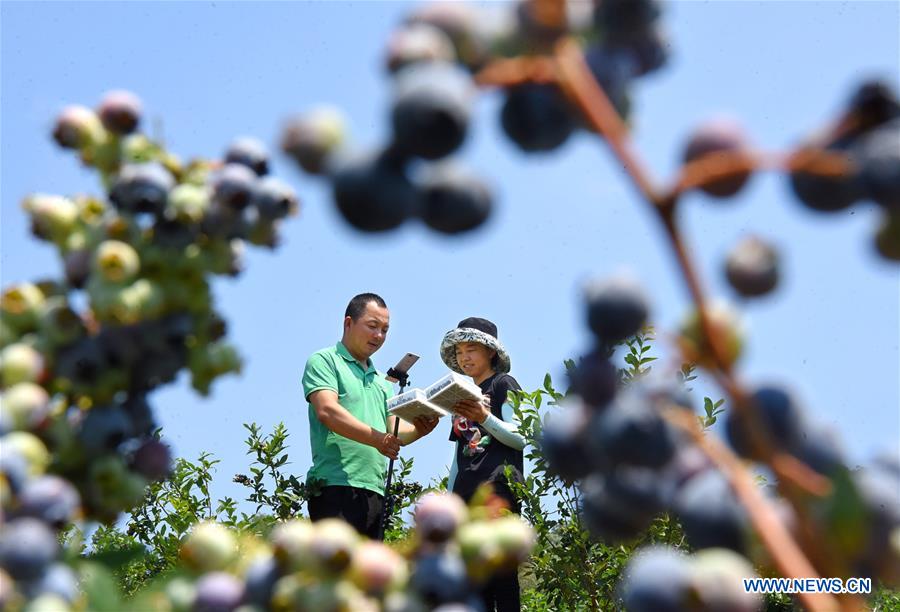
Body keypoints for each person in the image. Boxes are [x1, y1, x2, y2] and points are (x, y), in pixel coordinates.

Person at [302, 293, 438, 539]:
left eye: (385, 330)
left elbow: (394, 433)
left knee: (368, 565)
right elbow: (327, 411)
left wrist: (420, 429)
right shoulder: (325, 360)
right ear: (348, 323)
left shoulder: (382, 383)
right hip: (334, 486)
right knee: (337, 562)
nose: (379, 336)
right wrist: (378, 440)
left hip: (374, 490)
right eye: (373, 326)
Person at [441, 317, 526, 611]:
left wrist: (484, 417)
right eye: (459, 352)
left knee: (502, 576)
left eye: (471, 350)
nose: (464, 357)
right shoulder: (462, 397)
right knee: (474, 584)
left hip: (496, 492)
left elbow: (521, 437)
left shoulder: (503, 384)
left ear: (491, 351)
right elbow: (459, 456)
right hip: (466, 498)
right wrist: (449, 503)